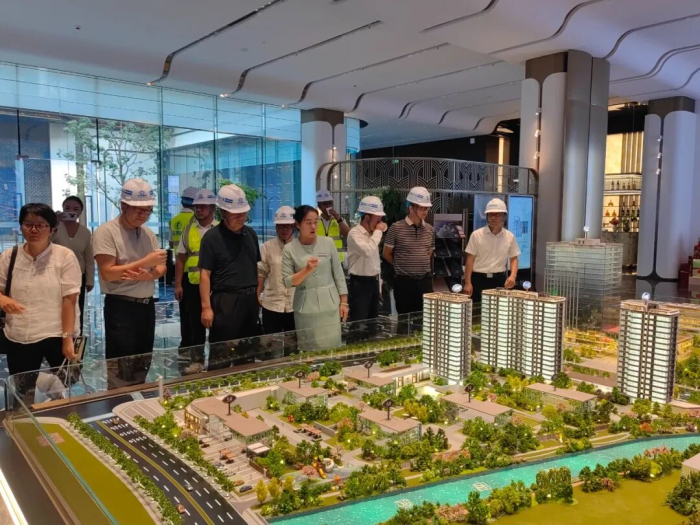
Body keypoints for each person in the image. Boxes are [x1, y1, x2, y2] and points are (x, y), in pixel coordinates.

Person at [0, 203, 81, 392]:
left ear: (52, 229)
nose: (34, 229)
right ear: (21, 226)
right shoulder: (9, 256)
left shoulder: (64, 256)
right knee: (22, 390)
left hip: (56, 333)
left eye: (41, 225)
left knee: (66, 388)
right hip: (20, 334)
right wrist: (2, 300)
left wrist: (67, 338)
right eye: (28, 224)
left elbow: (69, 300)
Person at [93, 178, 167, 383]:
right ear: (123, 205)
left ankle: (139, 395)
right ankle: (118, 399)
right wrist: (145, 262)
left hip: (146, 305)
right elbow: (108, 273)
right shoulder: (106, 232)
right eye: (138, 210)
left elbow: (161, 265)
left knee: (142, 361)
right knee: (121, 367)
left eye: (147, 210)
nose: (143, 215)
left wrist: (150, 275)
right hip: (121, 306)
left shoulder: (148, 233)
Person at [199, 184, 260, 368]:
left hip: (249, 300)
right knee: (222, 355)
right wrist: (206, 308)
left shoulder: (251, 234)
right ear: (223, 212)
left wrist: (257, 295)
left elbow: (255, 267)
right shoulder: (212, 238)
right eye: (236, 214)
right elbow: (205, 274)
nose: (241, 217)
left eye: (243, 213)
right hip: (225, 301)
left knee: (247, 353)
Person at [282, 205, 348, 351]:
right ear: (298, 224)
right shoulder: (289, 249)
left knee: (332, 348)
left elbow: (338, 274)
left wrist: (344, 302)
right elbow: (287, 281)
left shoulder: (328, 242)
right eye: (308, 223)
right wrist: (306, 270)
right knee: (309, 350)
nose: (313, 226)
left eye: (315, 222)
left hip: (330, 305)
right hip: (305, 307)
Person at [174, 188, 217, 363]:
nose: (199, 209)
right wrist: (178, 284)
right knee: (194, 325)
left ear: (213, 208)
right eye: (197, 206)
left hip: (216, 286)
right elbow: (180, 258)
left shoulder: (220, 229)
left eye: (203, 206)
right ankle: (197, 361)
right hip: (193, 285)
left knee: (217, 325)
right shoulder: (188, 229)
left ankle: (216, 361)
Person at [383, 186, 435, 315]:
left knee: (425, 318)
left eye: (426, 208)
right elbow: (386, 253)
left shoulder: (430, 229)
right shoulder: (396, 228)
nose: (425, 211)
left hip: (425, 282)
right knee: (405, 319)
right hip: (404, 283)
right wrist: (401, 265)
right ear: (411, 208)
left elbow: (429, 253)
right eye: (421, 208)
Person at [464, 198, 520, 303]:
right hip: (478, 279)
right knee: (477, 309)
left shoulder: (509, 237)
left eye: (497, 215)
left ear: (503, 216)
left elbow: (514, 258)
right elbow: (470, 259)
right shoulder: (476, 235)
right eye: (490, 215)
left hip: (499, 280)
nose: (493, 218)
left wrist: (513, 276)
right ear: (487, 216)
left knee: (498, 310)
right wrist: (467, 282)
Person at [52, 196, 94, 335]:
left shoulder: (85, 232)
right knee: (56, 307)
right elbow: (46, 242)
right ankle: (56, 336)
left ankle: (74, 337)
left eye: (75, 209)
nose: (71, 211)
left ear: (80, 212)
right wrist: (54, 222)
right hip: (55, 274)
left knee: (76, 307)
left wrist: (90, 280)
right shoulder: (55, 228)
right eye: (67, 208)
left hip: (78, 276)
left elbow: (89, 257)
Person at [347, 196, 387, 325]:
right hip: (359, 284)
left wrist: (379, 287)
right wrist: (378, 232)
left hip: (374, 282)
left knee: (373, 323)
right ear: (367, 218)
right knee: (359, 324)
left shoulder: (372, 234)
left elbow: (375, 264)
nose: (380, 223)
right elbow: (367, 251)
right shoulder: (355, 233)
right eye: (377, 220)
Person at [257, 206, 296, 335]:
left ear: (293, 226)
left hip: (294, 304)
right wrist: (257, 294)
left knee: (293, 343)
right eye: (281, 226)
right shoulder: (267, 246)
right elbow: (261, 272)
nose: (284, 230)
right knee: (271, 342)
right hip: (272, 304)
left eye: (288, 226)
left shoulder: (300, 246)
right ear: (276, 227)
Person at [167, 186, 198, 283]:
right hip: (195, 269)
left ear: (182, 202)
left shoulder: (173, 220)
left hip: (179, 268)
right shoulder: (197, 220)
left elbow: (171, 244)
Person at [315, 189, 350, 263]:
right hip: (320, 261)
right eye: (325, 204)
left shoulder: (339, 220)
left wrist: (338, 218)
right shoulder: (315, 222)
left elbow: (349, 235)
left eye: (330, 203)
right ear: (319, 206)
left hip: (337, 261)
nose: (328, 206)